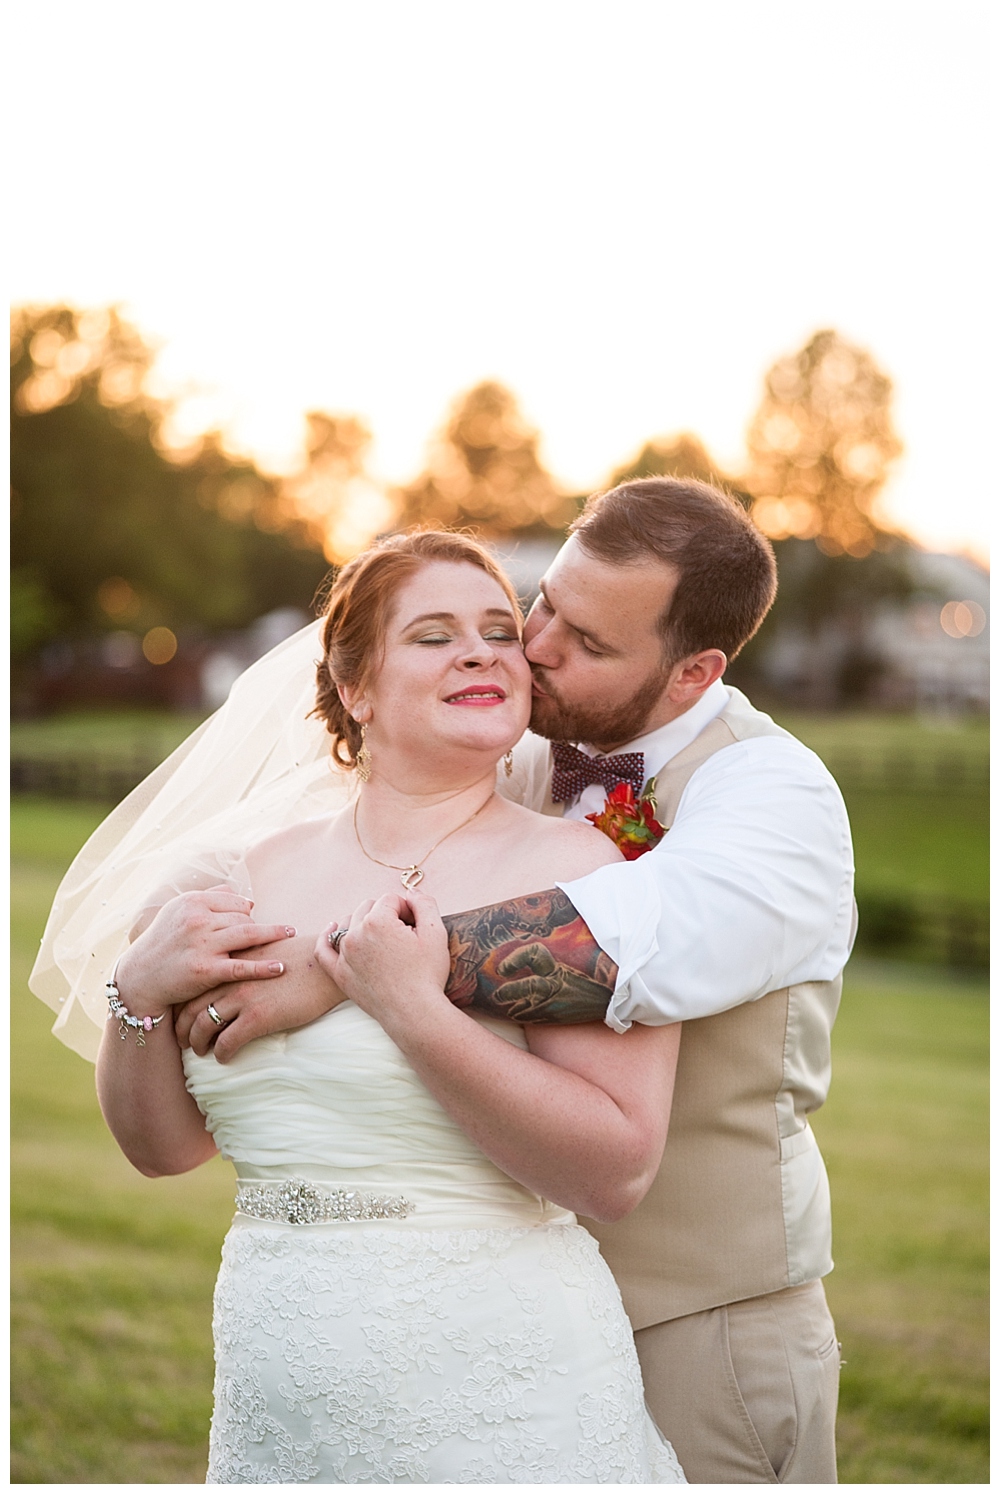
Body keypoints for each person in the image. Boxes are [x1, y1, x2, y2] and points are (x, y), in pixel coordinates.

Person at [155, 476, 855, 1483]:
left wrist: (342, 970)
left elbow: (637, 938)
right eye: (547, 607)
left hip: (705, 1313)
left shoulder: (770, 792)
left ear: (695, 671)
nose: (535, 649)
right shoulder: (516, 753)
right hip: (509, 1291)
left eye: (590, 642)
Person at [87, 530, 687, 1484]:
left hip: (501, 1388)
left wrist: (414, 1010)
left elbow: (614, 1171)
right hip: (276, 1383)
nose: (483, 651)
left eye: (499, 631)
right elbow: (162, 1150)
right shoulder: (247, 874)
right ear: (354, 685)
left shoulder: (583, 874)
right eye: (435, 634)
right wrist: (137, 994)